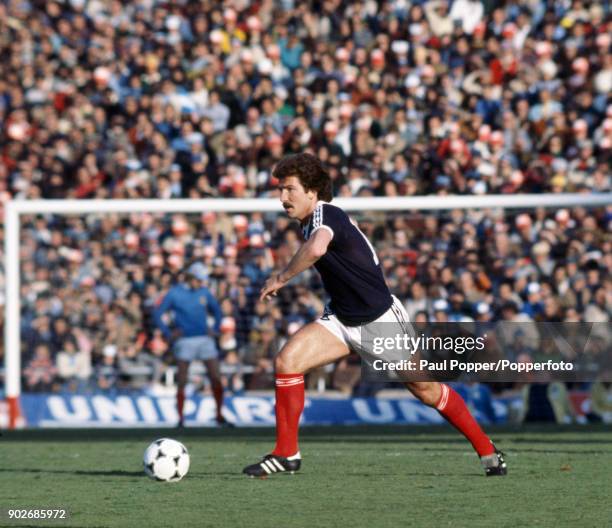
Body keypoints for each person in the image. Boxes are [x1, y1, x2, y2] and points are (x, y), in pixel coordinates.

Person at [242, 153, 507, 477]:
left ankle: (487, 450)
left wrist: (281, 278)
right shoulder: (310, 221)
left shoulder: (328, 214)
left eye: (289, 189)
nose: (283, 198)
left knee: (426, 390)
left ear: (312, 191)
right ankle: (286, 454)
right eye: (280, 190)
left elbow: (316, 250)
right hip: (341, 318)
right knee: (287, 362)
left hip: (378, 321)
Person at [154, 262, 227, 427]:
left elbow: (217, 311)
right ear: (190, 277)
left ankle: (219, 415)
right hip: (184, 341)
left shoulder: (204, 292)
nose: (201, 283)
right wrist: (168, 333)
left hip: (204, 340)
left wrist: (214, 328)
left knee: (216, 377)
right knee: (182, 379)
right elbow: (158, 314)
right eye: (199, 280)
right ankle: (181, 419)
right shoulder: (174, 293)